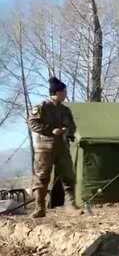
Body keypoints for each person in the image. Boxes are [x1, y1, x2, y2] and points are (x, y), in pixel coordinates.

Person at [28, 77, 81, 218]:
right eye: (64, 92)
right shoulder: (42, 107)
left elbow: (72, 126)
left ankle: (71, 206)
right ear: (56, 92)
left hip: (62, 147)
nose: (65, 94)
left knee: (69, 176)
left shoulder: (65, 110)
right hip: (44, 148)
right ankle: (40, 208)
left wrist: (67, 131)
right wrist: (51, 130)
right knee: (42, 178)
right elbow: (33, 123)